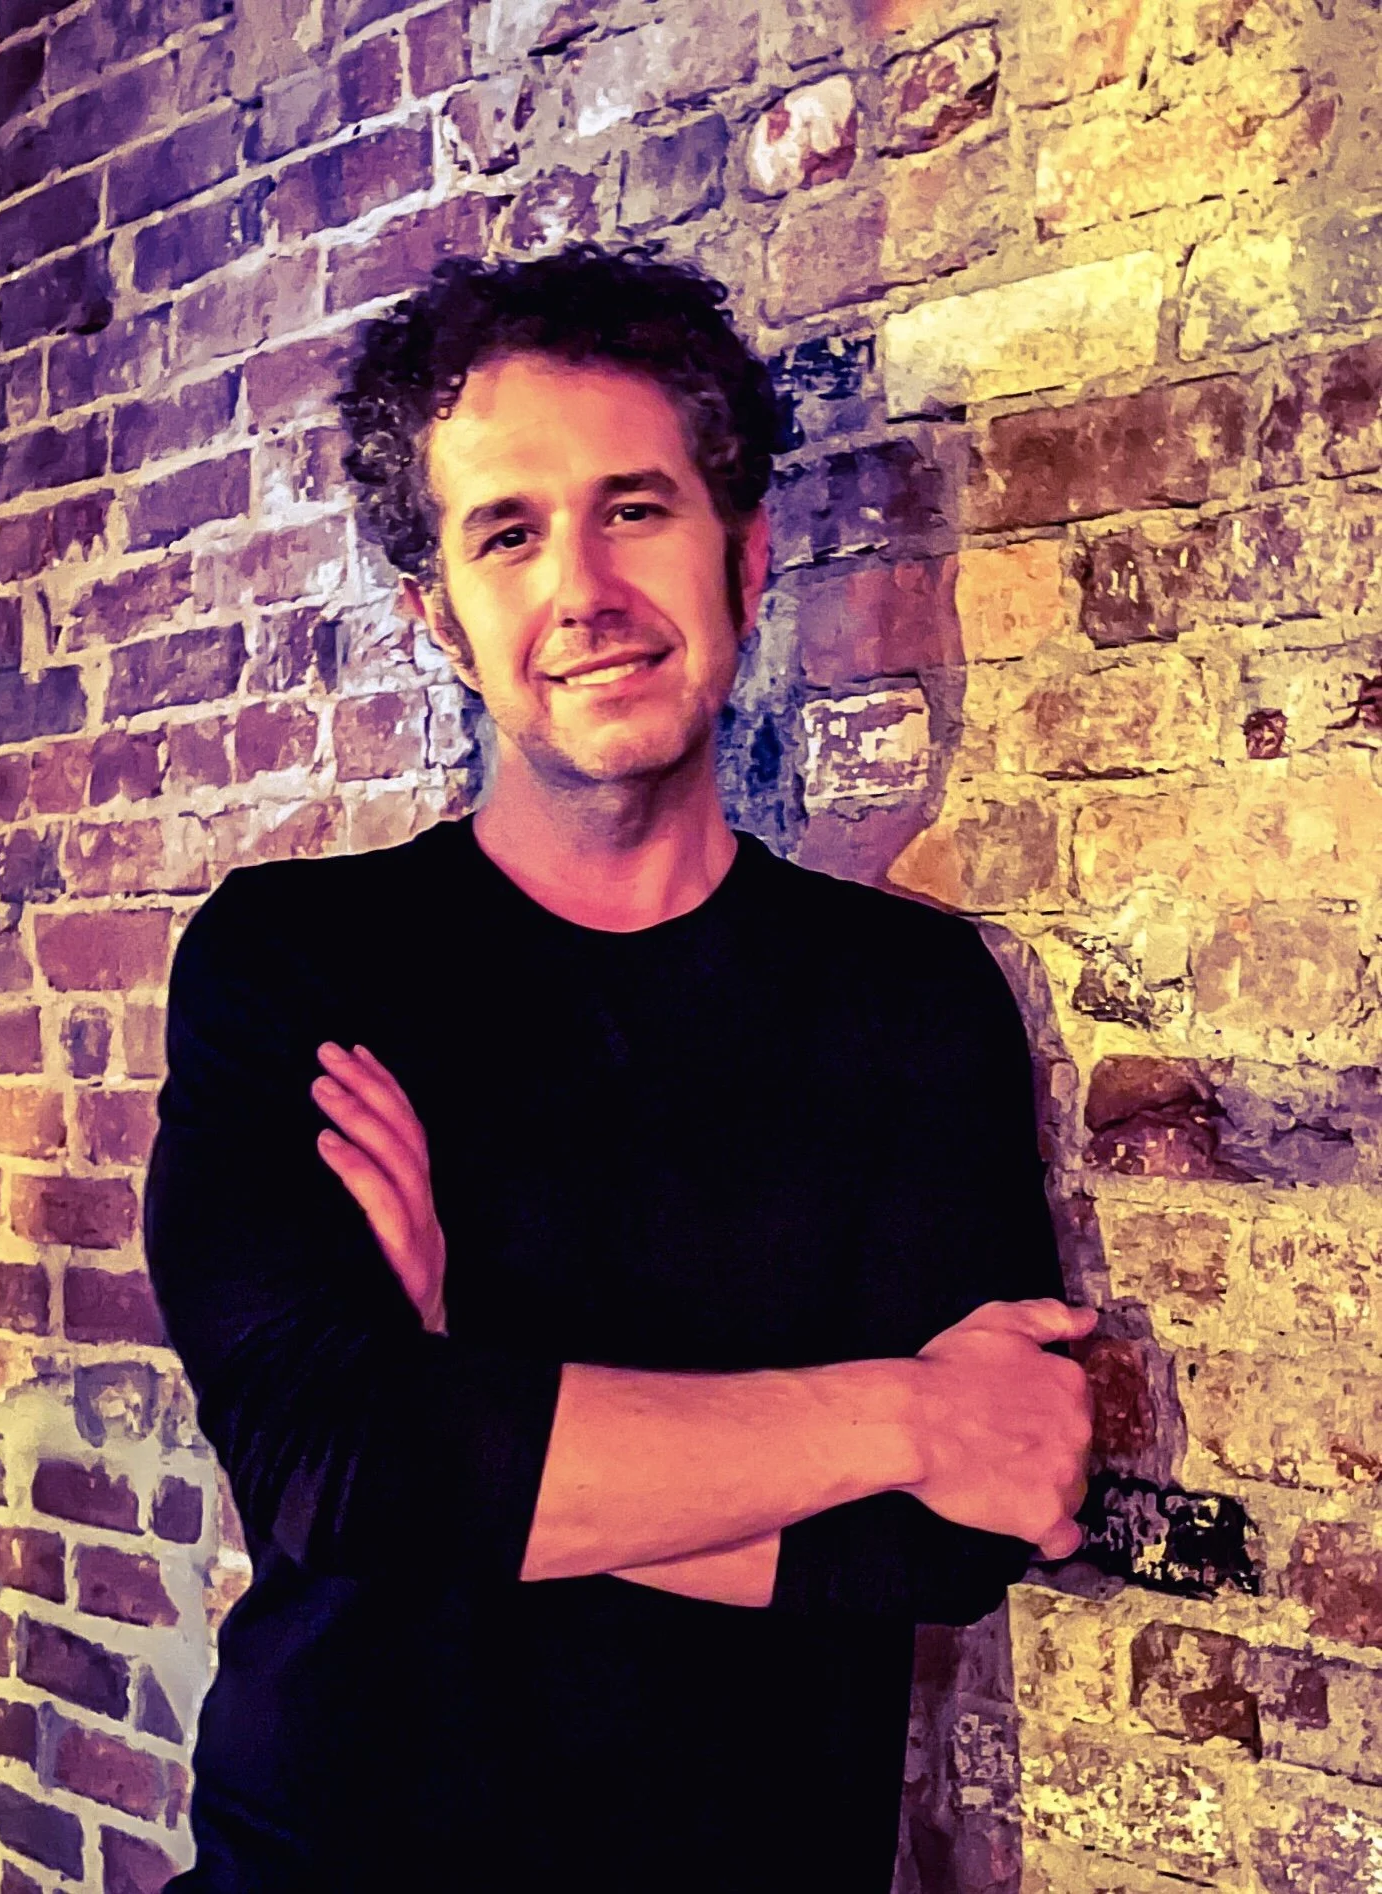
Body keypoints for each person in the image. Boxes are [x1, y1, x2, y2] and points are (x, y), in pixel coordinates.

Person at [143, 242, 1096, 1894]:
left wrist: (467, 1393)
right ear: (441, 618)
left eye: (635, 508)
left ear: (747, 551)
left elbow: (952, 1532)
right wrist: (901, 1412)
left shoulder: (909, 996)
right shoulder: (293, 965)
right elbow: (338, 1467)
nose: (581, 587)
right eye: (508, 533)